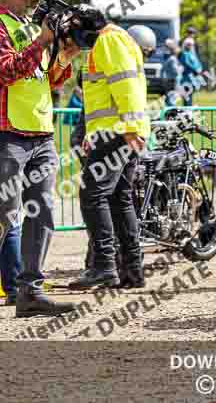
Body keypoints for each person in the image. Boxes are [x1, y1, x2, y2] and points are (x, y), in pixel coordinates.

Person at [0, 0, 80, 315]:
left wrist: (63, 56)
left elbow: (48, 81)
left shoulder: (33, 29)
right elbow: (7, 72)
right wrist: (42, 41)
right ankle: (16, 287)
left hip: (41, 134)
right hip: (8, 135)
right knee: (5, 216)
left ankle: (29, 291)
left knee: (42, 213)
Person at [68, 23, 151, 290]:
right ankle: (132, 271)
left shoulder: (108, 41)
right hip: (118, 132)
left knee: (92, 195)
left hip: (115, 133)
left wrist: (128, 128)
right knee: (119, 199)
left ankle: (104, 266)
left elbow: (124, 86)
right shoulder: (120, 40)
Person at [178, 37, 203, 106]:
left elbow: (198, 63)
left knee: (190, 95)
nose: (190, 46)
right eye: (188, 44)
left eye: (191, 44)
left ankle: (189, 110)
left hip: (192, 79)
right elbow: (186, 63)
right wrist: (195, 70)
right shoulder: (184, 54)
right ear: (185, 45)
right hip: (186, 79)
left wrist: (199, 69)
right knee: (187, 96)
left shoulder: (192, 54)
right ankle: (187, 110)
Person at [161, 38, 182, 107]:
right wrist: (181, 68)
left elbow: (162, 69)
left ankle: (168, 110)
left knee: (169, 97)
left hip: (168, 79)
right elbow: (176, 71)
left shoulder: (169, 58)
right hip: (172, 80)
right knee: (172, 98)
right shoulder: (173, 59)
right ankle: (170, 111)